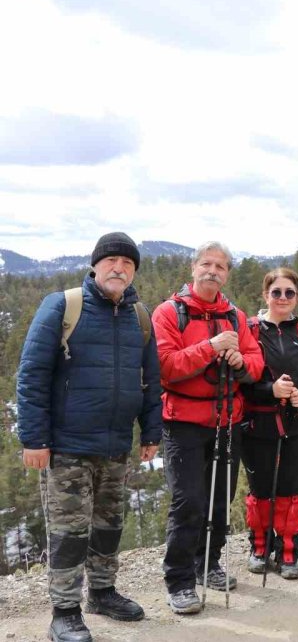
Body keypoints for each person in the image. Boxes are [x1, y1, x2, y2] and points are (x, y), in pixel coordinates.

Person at [17, 232, 162, 642]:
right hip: (67, 447)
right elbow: (31, 376)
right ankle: (64, 611)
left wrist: (150, 432)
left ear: (134, 271)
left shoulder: (139, 317)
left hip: (115, 447)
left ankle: (102, 592)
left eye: (128, 263)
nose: (119, 268)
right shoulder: (63, 305)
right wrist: (33, 439)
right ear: (95, 265)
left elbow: (151, 380)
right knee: (68, 533)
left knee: (108, 525)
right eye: (112, 260)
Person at [155, 241, 264, 614]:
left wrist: (238, 361)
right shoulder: (169, 313)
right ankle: (179, 579)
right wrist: (211, 346)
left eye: (220, 266)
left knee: (220, 499)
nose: (212, 271)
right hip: (183, 422)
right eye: (206, 264)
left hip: (227, 421)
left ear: (227, 274)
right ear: (193, 268)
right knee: (188, 502)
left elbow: (256, 365)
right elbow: (166, 366)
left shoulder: (236, 315)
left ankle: (209, 563)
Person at [241, 268, 298, 579]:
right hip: (258, 424)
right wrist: (270, 390)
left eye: (289, 293)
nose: (282, 298)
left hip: (296, 425)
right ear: (265, 295)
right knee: (261, 491)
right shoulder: (249, 330)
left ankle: (288, 551)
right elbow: (242, 380)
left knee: (291, 490)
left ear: (297, 298)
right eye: (276, 292)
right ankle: (260, 548)